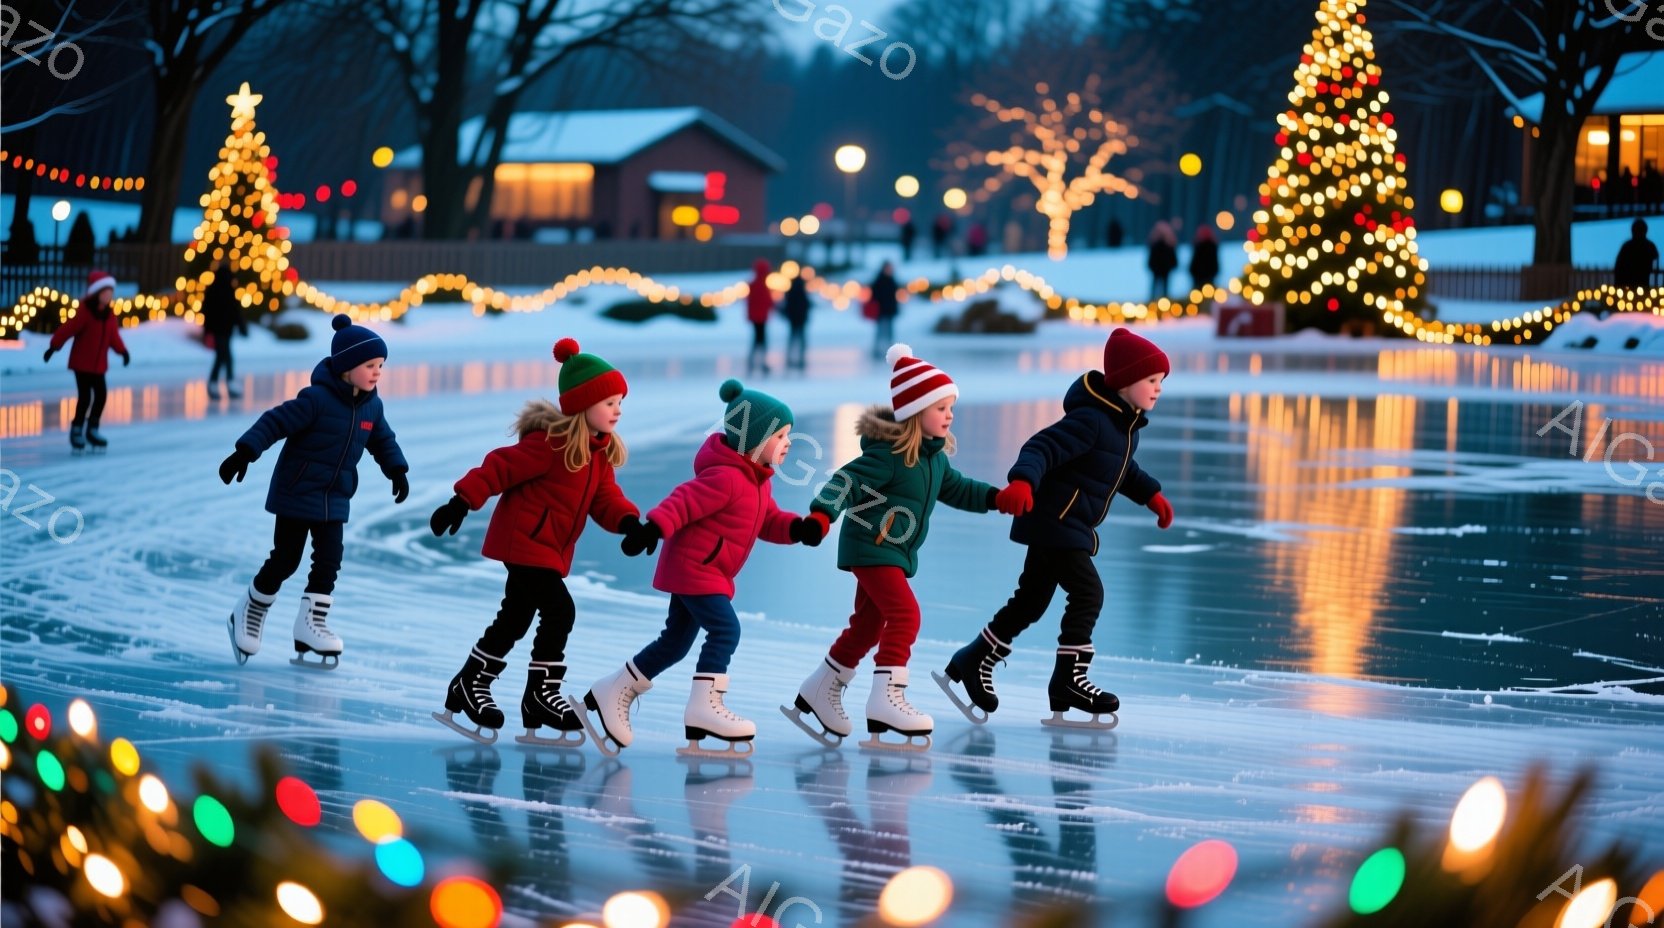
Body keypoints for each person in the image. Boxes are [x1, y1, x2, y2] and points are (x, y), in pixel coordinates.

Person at [785, 345, 1021, 750]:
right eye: (941, 407)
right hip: (872, 547)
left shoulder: (934, 460)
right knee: (905, 614)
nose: (949, 415)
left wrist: (998, 498)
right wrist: (822, 514)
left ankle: (820, 689)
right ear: (914, 411)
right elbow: (845, 481)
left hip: (893, 552)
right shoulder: (890, 456)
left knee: (867, 626)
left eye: (951, 407)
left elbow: (960, 489)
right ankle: (886, 699)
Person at [938, 329, 1175, 729]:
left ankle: (974, 657)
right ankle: (1068, 681)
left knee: (1031, 600)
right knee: (1088, 592)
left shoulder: (1122, 429)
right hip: (1056, 521)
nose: (1157, 390)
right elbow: (1041, 447)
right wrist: (1022, 481)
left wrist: (1151, 494)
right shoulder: (1092, 420)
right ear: (1126, 381)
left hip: (1065, 523)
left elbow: (1121, 471)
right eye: (1151, 381)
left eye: (1160, 383)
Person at [583, 379, 825, 756]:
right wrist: (654, 528)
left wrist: (797, 528)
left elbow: (768, 521)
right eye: (781, 435)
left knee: (675, 644)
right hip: (696, 569)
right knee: (726, 629)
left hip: (704, 571)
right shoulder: (726, 477)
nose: (788, 443)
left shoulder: (758, 482)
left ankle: (613, 689)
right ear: (755, 440)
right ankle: (704, 708)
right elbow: (684, 501)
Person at [428, 339, 643, 746]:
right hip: (524, 543)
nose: (617, 411)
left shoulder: (597, 454)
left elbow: (605, 500)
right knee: (559, 611)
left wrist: (628, 521)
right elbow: (499, 467)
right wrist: (461, 501)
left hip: (549, 550)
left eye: (619, 403)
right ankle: (539, 695)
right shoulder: (550, 444)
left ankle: (474, 685)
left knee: (516, 617)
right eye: (610, 403)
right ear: (583, 405)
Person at [219, 314, 410, 669]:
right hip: (297, 492)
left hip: (335, 497)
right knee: (286, 559)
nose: (377, 372)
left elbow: (382, 439)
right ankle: (250, 609)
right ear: (347, 367)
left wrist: (396, 469)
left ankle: (311, 624)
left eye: (380, 365)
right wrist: (245, 451)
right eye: (370, 364)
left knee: (329, 561)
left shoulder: (372, 405)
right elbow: (275, 421)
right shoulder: (316, 400)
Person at [43, 270, 129, 453]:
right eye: (106, 292)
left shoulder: (109, 315)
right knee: (85, 397)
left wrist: (123, 351)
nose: (109, 296)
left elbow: (114, 337)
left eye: (111, 292)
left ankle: (92, 429)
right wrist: (54, 346)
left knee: (101, 395)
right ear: (97, 293)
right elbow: (69, 328)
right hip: (82, 364)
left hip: (99, 366)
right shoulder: (85, 312)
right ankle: (76, 430)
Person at [202, 260, 250, 400]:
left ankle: (218, 382)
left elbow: (208, 311)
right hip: (222, 330)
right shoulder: (227, 290)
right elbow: (235, 312)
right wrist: (241, 327)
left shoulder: (215, 289)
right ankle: (223, 382)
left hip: (221, 330)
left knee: (223, 356)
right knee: (224, 356)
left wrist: (207, 329)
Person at [781, 267, 814, 372]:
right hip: (801, 318)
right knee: (801, 339)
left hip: (793, 319)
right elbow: (806, 304)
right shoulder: (802, 290)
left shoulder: (790, 291)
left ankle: (790, 358)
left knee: (792, 339)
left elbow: (787, 305)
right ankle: (800, 358)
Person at [745, 258, 773, 376]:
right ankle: (760, 362)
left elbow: (749, 302)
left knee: (757, 340)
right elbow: (767, 301)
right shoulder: (761, 285)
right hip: (761, 317)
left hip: (756, 317)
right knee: (761, 340)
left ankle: (753, 362)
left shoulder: (753, 285)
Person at [1614, 218, 1659, 291]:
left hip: (1628, 284)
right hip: (1642, 283)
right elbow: (1656, 260)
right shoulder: (1650, 246)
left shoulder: (1627, 246)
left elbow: (1618, 267)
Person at [869, 261, 900, 361]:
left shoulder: (892, 280)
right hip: (881, 311)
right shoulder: (879, 281)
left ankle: (890, 351)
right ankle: (877, 350)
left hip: (889, 311)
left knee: (889, 332)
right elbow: (874, 296)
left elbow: (894, 296)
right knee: (880, 332)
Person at [1146, 221, 1178, 300]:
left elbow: (1172, 257)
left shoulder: (1164, 244)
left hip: (1162, 270)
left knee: (1162, 289)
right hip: (1160, 270)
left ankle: (1159, 302)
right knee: (1160, 289)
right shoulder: (1164, 244)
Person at [1188, 224, 1221, 295]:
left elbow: (1194, 262)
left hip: (1202, 276)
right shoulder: (1212, 246)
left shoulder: (1200, 246)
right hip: (1205, 276)